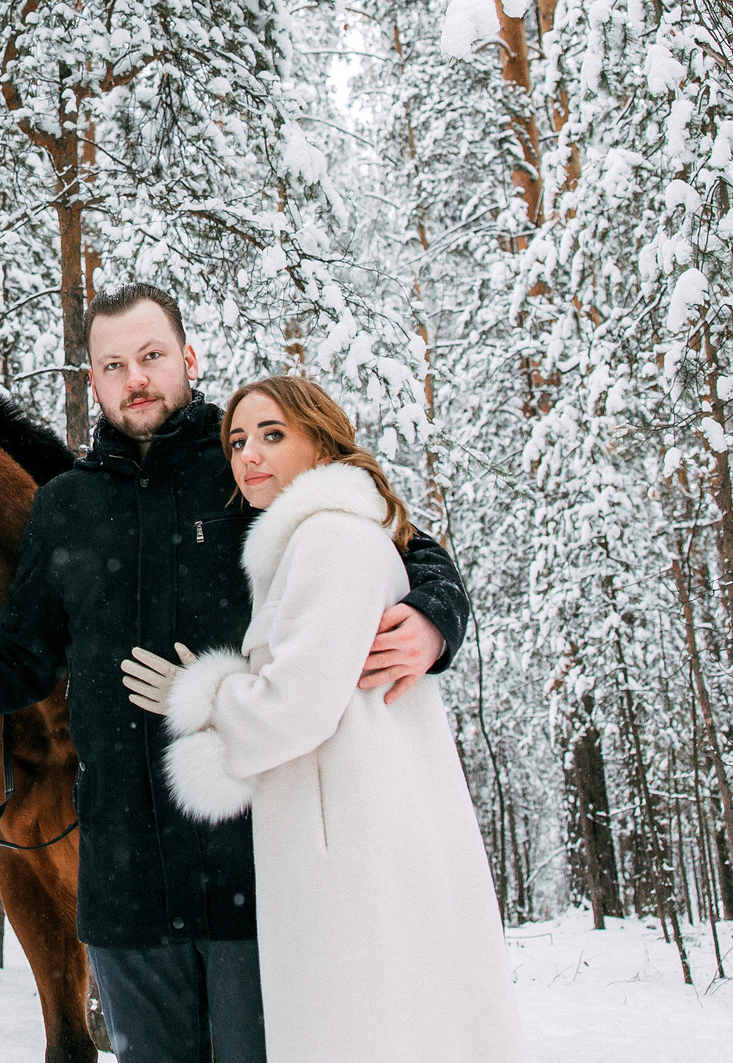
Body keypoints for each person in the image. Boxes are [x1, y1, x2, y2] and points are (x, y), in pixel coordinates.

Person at [0, 284, 471, 1063]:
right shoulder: (66, 507)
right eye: (114, 364)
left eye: (152, 357)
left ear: (187, 359)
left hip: (262, 879)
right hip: (125, 898)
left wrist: (437, 611)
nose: (136, 378)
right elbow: (20, 658)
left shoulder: (247, 472)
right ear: (92, 381)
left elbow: (380, 527)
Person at [121, 375, 523, 1063]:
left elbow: (291, 707)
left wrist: (206, 698)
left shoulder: (326, 538)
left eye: (272, 434)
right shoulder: (325, 533)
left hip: (348, 854)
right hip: (358, 834)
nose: (249, 454)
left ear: (321, 441)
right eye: (239, 440)